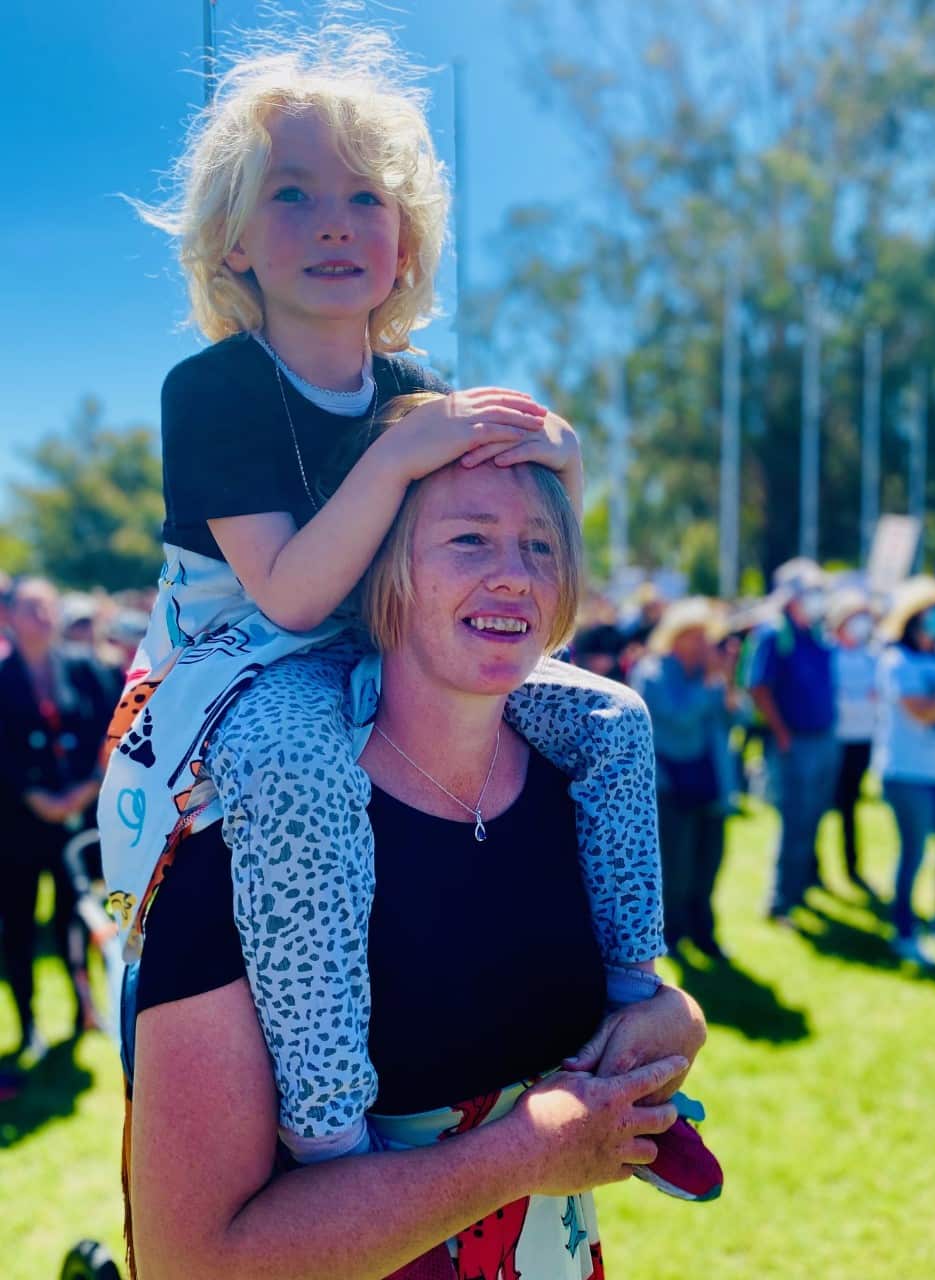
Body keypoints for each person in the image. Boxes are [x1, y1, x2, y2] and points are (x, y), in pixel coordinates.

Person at [101, 24, 671, 1167]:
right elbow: (293, 594)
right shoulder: (214, 389)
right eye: (292, 194)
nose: (332, 222)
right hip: (240, 667)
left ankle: (628, 997)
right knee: (303, 774)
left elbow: (484, 521)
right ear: (232, 245)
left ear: (407, 236)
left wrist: (554, 451)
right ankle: (326, 1125)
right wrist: (409, 457)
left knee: (610, 716)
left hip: (386, 638)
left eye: (366, 196)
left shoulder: (415, 387)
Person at [128, 455, 710, 1280]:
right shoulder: (255, 847)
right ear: (381, 571)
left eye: (541, 546)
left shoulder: (571, 783)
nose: (515, 576)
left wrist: (674, 1024)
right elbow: (191, 1260)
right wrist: (520, 1156)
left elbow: (585, 996)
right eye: (469, 539)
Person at [0, 578, 115, 1057]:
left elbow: (114, 728)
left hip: (78, 819)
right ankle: (27, 1023)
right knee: (19, 924)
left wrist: (87, 786)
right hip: (19, 824)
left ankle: (84, 1009)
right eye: (31, 608)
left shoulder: (87, 670)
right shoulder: (4, 679)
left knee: (78, 918)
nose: (43, 617)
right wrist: (33, 795)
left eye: (48, 606)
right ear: (9, 616)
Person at [632, 598, 734, 958]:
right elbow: (679, 716)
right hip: (670, 784)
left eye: (707, 637)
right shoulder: (652, 672)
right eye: (695, 637)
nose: (704, 645)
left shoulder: (709, 676)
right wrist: (710, 686)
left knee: (709, 862)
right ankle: (672, 933)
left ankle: (704, 931)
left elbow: (734, 718)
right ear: (675, 637)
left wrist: (729, 685)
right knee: (676, 866)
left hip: (710, 782)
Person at [872, 576, 935, 961]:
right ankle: (904, 931)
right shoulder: (897, 660)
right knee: (914, 853)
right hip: (907, 775)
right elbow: (920, 711)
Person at [746, 559, 838, 923]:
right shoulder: (773, 634)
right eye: (810, 591)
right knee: (794, 820)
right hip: (794, 743)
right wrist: (782, 734)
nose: (817, 599)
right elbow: (758, 687)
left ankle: (801, 888)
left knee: (813, 817)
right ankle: (781, 900)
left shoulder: (816, 633)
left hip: (823, 739)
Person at [827, 589, 878, 891]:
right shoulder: (830, 653)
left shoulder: (871, 656)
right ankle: (811, 867)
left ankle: (852, 865)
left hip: (863, 740)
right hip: (835, 741)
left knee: (850, 805)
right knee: (822, 805)